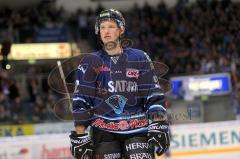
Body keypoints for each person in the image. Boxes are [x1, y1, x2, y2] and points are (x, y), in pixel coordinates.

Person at [69, 9, 170, 159]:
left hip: (138, 129)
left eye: (110, 26)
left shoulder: (139, 57)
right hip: (103, 132)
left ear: (121, 29)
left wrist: (158, 123)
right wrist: (80, 135)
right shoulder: (89, 62)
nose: (106, 31)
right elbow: (81, 101)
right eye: (102, 27)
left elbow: (152, 93)